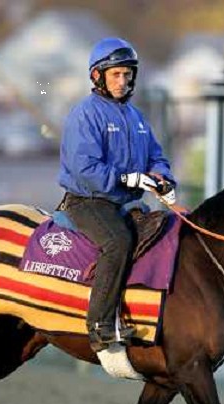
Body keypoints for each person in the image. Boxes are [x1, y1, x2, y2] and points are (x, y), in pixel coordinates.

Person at [57, 37, 177, 352]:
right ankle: (99, 326)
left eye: (127, 75)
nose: (123, 81)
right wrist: (128, 178)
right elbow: (85, 168)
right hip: (87, 202)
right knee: (118, 241)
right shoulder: (85, 114)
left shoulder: (137, 118)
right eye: (116, 75)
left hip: (123, 203)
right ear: (98, 76)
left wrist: (163, 177)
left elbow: (156, 156)